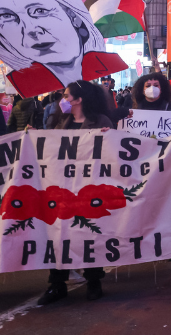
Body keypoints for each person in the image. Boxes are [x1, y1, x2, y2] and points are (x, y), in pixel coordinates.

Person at [34, 80, 114, 305]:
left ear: (79, 100)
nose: (64, 100)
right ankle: (57, 284)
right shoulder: (60, 121)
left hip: (89, 189)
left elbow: (113, 155)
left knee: (89, 234)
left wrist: (108, 137)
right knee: (58, 236)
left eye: (67, 96)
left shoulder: (101, 122)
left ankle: (93, 281)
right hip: (62, 189)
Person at [0, 0, 128, 95]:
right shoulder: (23, 84)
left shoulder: (105, 66)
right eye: (7, 16)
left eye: (39, 11)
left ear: (73, 15)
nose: (30, 29)